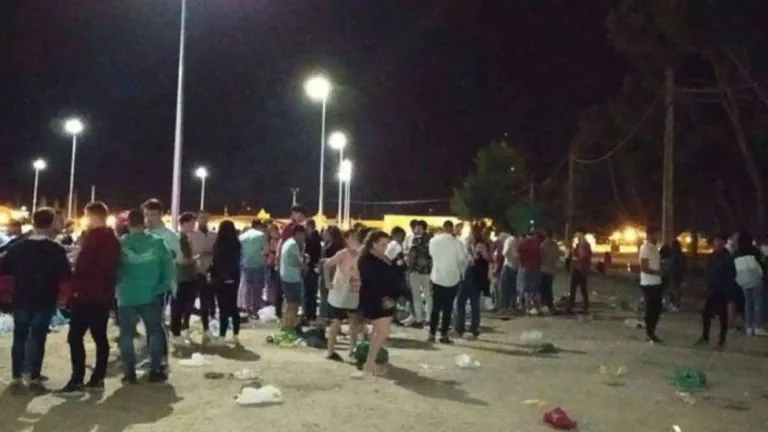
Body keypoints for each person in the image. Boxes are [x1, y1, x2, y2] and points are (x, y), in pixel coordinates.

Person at [2, 208, 71, 395]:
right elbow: (65, 274)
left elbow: (5, 268)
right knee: (38, 338)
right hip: (45, 299)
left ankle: (16, 377)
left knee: (20, 337)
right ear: (51, 223)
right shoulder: (56, 249)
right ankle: (33, 376)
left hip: (21, 297)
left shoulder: (17, 248)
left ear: (33, 222)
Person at [57, 202, 121, 395]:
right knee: (99, 337)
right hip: (103, 296)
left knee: (75, 336)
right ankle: (97, 379)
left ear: (93, 216)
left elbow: (86, 267)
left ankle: (77, 379)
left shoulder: (94, 237)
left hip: (87, 295)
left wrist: (76, 284)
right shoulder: (113, 239)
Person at [116, 209, 174, 384]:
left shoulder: (121, 244)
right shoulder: (158, 242)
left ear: (128, 224)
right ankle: (155, 370)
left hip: (126, 295)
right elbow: (168, 266)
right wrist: (163, 286)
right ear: (144, 223)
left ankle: (129, 373)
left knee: (126, 334)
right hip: (151, 293)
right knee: (154, 331)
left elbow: (114, 268)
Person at [357, 230, 399, 376]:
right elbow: (373, 281)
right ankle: (370, 364)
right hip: (376, 299)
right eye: (382, 244)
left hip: (384, 298)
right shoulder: (367, 259)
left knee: (380, 332)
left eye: (386, 244)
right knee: (382, 331)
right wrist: (385, 297)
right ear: (373, 244)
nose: (385, 247)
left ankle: (370, 362)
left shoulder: (381, 257)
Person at [142, 199, 179, 360]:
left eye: (153, 215)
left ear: (161, 215)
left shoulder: (169, 236)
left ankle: (160, 358)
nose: (149, 219)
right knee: (148, 323)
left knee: (156, 322)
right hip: (143, 286)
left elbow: (174, 258)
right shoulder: (143, 235)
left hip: (160, 287)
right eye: (146, 215)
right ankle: (153, 355)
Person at [323, 230, 362, 361]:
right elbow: (327, 265)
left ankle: (353, 350)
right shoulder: (342, 253)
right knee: (335, 322)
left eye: (357, 237)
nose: (355, 240)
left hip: (354, 293)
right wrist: (327, 282)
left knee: (354, 322)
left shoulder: (361, 254)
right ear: (346, 240)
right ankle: (330, 351)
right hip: (339, 292)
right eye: (352, 237)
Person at [427, 220, 468, 344]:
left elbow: (431, 254)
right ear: (452, 228)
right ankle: (443, 335)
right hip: (452, 278)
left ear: (443, 228)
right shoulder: (457, 243)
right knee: (448, 308)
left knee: (435, 307)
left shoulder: (433, 241)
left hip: (437, 277)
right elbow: (462, 259)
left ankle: (431, 334)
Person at [697, 233, 735, 349]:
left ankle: (722, 339)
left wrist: (726, 286)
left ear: (723, 242)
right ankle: (705, 337)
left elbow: (731, 274)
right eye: (715, 241)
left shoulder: (727, 257)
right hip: (712, 288)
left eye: (719, 241)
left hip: (721, 289)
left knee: (722, 314)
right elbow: (708, 269)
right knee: (706, 313)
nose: (716, 243)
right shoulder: (713, 255)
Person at [210, 220, 243, 344]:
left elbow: (216, 261)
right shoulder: (236, 243)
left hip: (221, 278)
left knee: (223, 307)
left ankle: (222, 335)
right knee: (233, 306)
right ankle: (235, 335)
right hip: (234, 276)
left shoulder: (219, 244)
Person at [170, 212, 200, 346]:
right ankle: (175, 334)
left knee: (183, 306)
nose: (194, 225)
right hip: (181, 277)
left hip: (188, 277)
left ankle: (179, 331)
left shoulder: (186, 238)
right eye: (192, 223)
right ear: (184, 224)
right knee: (178, 307)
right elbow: (180, 260)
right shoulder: (179, 239)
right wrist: (195, 260)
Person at [455, 226, 490, 340]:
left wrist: (481, 253)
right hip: (466, 277)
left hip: (475, 279)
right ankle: (460, 327)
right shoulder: (467, 246)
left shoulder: (480, 245)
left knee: (474, 304)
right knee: (461, 302)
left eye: (470, 234)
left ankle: (473, 328)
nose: (468, 236)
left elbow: (488, 259)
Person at [188, 211, 217, 334]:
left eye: (206, 218)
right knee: (190, 300)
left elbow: (216, 251)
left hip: (209, 271)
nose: (204, 220)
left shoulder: (213, 235)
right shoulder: (192, 234)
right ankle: (185, 325)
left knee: (207, 300)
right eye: (201, 218)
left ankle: (206, 327)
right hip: (195, 271)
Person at [733, 231, 765, 336]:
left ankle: (749, 326)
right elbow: (762, 263)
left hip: (743, 280)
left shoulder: (736, 253)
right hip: (756, 279)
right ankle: (758, 326)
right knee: (758, 303)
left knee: (748, 303)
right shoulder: (755, 251)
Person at [279, 224, 307, 333]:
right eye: (303, 234)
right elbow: (294, 261)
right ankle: (289, 328)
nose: (304, 237)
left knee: (288, 302)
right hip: (292, 278)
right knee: (293, 305)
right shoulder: (293, 245)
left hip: (286, 276)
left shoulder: (288, 242)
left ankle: (285, 325)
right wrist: (304, 263)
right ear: (298, 234)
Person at [238, 219, 268, 316]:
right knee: (257, 288)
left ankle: (247, 307)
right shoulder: (261, 235)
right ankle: (255, 308)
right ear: (259, 226)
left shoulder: (242, 236)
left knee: (248, 287)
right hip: (258, 264)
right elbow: (266, 250)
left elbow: (240, 251)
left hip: (246, 264)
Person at [639, 227, 663, 344]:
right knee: (651, 309)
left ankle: (651, 331)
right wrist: (656, 272)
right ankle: (649, 333)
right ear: (649, 235)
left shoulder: (655, 248)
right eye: (656, 234)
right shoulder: (645, 248)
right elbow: (643, 267)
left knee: (657, 309)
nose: (657, 237)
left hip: (657, 282)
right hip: (648, 283)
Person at [406, 220, 431, 328]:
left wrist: (409, 269)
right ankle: (429, 319)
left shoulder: (415, 240)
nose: (415, 229)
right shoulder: (431, 239)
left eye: (417, 227)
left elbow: (412, 255)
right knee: (428, 296)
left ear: (421, 228)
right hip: (428, 271)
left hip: (416, 271)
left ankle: (419, 319)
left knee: (417, 296)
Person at [320, 226, 346, 321]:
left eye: (325, 233)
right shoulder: (337, 244)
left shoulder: (332, 245)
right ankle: (333, 318)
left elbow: (333, 260)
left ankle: (327, 318)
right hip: (333, 274)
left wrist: (325, 260)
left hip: (330, 274)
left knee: (326, 297)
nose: (323, 234)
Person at [517, 231, 543, 315]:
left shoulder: (522, 242)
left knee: (526, 289)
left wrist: (521, 264)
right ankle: (538, 308)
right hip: (535, 268)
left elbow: (519, 255)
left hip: (525, 268)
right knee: (535, 288)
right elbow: (540, 256)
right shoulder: (537, 243)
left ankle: (528, 308)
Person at [567, 230, 592, 314]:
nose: (576, 236)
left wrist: (575, 259)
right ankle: (575, 306)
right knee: (576, 287)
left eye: (577, 234)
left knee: (580, 287)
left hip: (580, 268)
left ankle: (581, 306)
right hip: (579, 268)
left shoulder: (584, 244)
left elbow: (583, 256)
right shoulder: (580, 244)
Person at [303, 219, 323, 322]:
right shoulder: (318, 238)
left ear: (310, 226)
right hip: (315, 268)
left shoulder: (311, 239)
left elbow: (308, 254)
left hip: (310, 268)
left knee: (308, 292)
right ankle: (312, 313)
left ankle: (308, 314)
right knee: (312, 293)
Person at [539, 229, 562, 314]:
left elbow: (540, 257)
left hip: (544, 269)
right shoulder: (554, 245)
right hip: (552, 269)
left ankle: (548, 305)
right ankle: (547, 304)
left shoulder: (543, 245)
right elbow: (558, 256)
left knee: (544, 288)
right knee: (548, 287)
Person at [499, 228, 520, 313]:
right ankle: (513, 306)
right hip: (515, 267)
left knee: (504, 288)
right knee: (513, 287)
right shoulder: (517, 240)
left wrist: (506, 256)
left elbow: (504, 252)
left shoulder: (508, 240)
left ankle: (504, 307)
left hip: (508, 266)